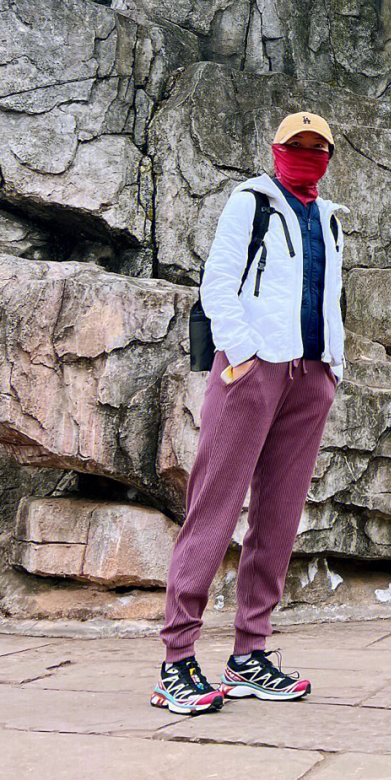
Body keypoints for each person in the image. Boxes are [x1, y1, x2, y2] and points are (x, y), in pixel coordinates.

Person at [150, 111, 346, 715]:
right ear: (276, 149)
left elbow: (330, 295)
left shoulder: (332, 219)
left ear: (329, 158)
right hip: (252, 373)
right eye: (297, 146)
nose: (306, 155)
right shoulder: (252, 202)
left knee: (279, 517)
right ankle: (176, 660)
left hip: (311, 374)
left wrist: (334, 364)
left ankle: (248, 655)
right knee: (213, 506)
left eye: (318, 149)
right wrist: (242, 354)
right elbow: (218, 284)